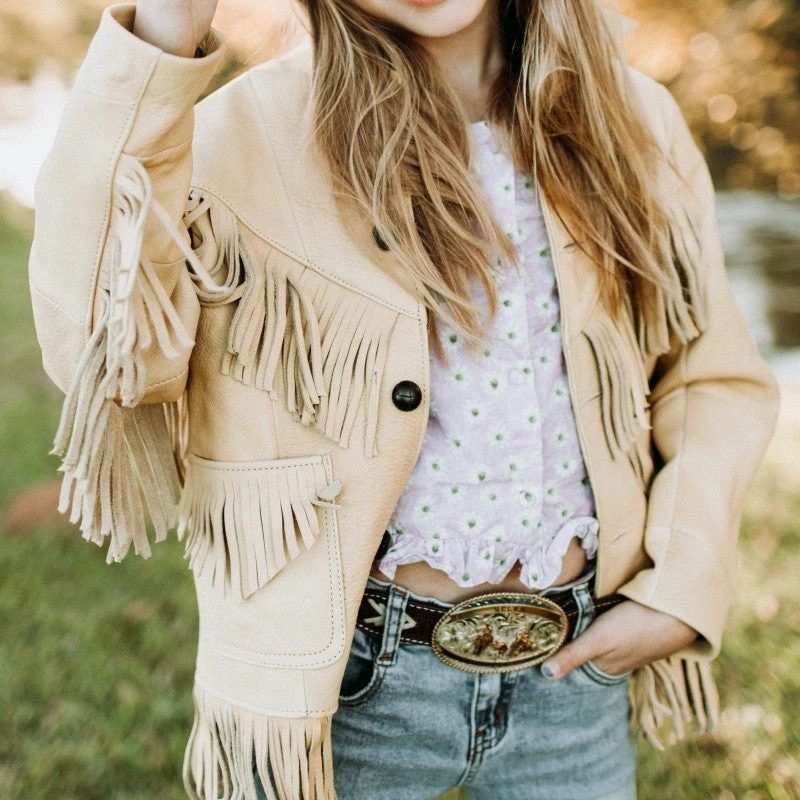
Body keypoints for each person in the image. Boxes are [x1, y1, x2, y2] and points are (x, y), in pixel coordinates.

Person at [27, 1, 779, 799]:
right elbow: (99, 354)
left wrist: (681, 584)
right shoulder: (243, 133)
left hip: (574, 676)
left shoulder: (633, 122)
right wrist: (161, 36)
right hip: (341, 692)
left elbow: (709, 378)